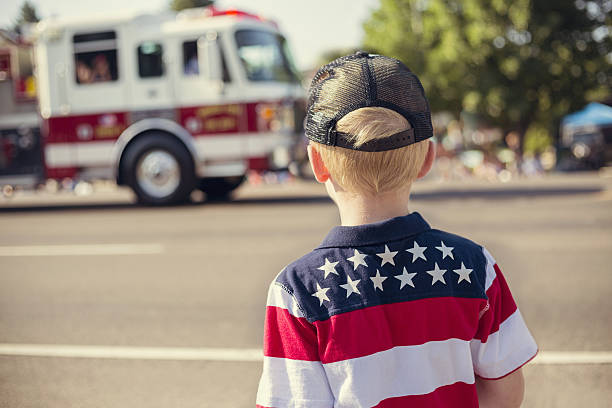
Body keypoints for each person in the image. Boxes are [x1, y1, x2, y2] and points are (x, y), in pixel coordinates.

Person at [256, 52, 538, 408]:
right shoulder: (474, 265)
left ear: (317, 162)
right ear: (427, 159)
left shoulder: (298, 291)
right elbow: (505, 392)